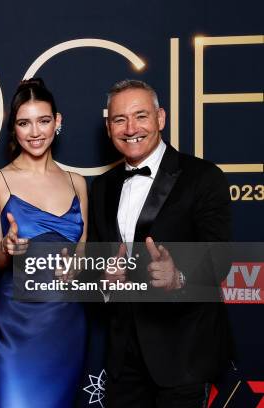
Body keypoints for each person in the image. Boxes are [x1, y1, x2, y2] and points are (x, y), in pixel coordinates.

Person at [88, 79, 232, 407]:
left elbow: (219, 257)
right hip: (123, 355)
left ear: (161, 118)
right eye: (119, 120)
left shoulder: (204, 177)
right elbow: (98, 260)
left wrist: (178, 275)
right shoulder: (101, 187)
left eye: (141, 116)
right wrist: (103, 279)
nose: (130, 128)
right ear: (109, 127)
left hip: (183, 352)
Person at [0, 78, 88, 407]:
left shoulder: (77, 182)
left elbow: (82, 256)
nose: (35, 132)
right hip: (16, 323)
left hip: (66, 323)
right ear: (14, 127)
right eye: (24, 123)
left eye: (43, 120)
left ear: (58, 121)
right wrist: (6, 249)